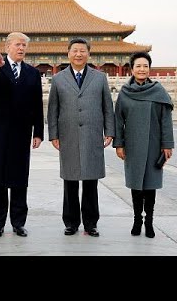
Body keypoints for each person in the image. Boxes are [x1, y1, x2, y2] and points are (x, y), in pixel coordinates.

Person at [0, 32, 44, 239]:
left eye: (24, 45)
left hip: (21, 133)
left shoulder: (32, 73)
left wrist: (38, 132)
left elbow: (37, 105)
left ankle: (18, 223)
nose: (21, 48)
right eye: (17, 45)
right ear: (7, 47)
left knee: (18, 179)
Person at [47, 37, 115, 237]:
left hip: (93, 134)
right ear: (68, 54)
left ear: (89, 54)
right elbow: (53, 109)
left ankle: (91, 223)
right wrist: (53, 134)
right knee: (70, 180)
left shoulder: (99, 77)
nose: (78, 54)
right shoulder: (59, 78)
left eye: (82, 51)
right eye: (75, 50)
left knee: (91, 181)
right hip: (68, 134)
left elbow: (107, 107)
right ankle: (71, 222)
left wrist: (109, 131)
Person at [113, 52, 174, 238]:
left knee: (150, 185)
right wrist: (119, 144)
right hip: (132, 145)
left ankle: (149, 222)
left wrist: (167, 144)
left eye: (145, 66)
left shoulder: (158, 91)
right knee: (136, 185)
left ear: (149, 69)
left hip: (154, 144)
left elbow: (166, 120)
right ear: (131, 69)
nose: (142, 69)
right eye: (138, 66)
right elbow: (118, 120)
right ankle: (137, 219)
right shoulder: (124, 93)